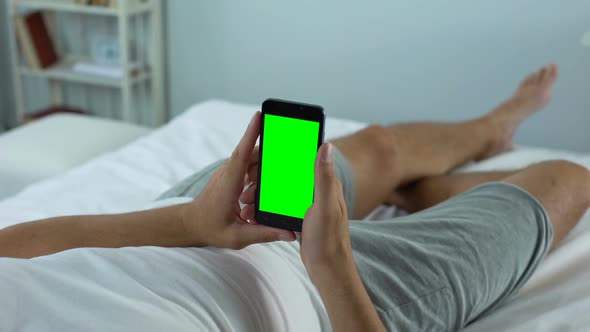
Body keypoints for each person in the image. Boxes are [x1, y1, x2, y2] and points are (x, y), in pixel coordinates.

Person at [1, 64, 588, 331]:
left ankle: (488, 130)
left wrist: (191, 220)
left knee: (380, 145)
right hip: (326, 294)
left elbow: (13, 250)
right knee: (567, 179)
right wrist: (332, 265)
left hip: (186, 226)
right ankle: (426, 189)